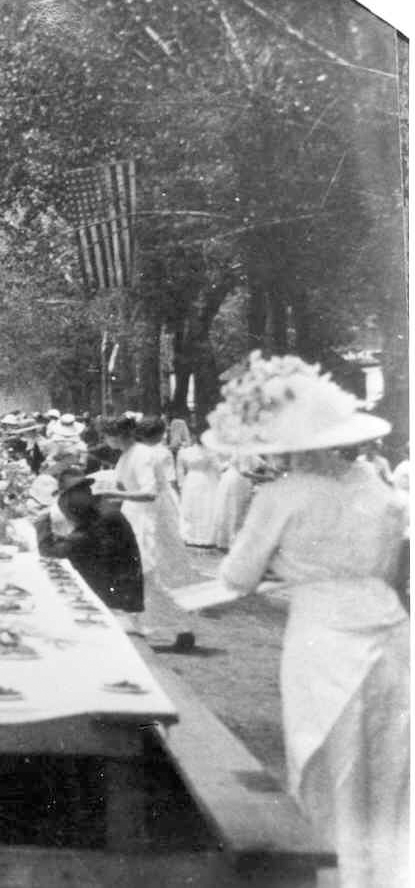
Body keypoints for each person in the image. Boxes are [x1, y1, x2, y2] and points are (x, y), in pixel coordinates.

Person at [201, 352, 408, 888]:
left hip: (324, 639)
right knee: (388, 759)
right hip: (388, 629)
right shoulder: (375, 485)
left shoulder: (281, 493)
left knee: (328, 756)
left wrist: (286, 580)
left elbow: (239, 575)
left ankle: (333, 873)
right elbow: (384, 567)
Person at [95, 414, 197, 638]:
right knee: (136, 573)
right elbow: (124, 481)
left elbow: (149, 492)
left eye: (107, 436)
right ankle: (143, 622)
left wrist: (113, 493)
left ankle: (181, 625)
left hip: (149, 518)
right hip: (133, 515)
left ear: (118, 435)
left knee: (149, 573)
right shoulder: (127, 455)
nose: (105, 440)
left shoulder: (143, 455)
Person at [34, 471, 145, 618]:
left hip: (113, 599)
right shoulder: (102, 512)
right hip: (120, 589)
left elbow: (49, 552)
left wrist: (42, 521)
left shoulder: (102, 521)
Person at [175, 436, 221, 547]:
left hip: (199, 480)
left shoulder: (209, 451)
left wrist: (181, 484)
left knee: (202, 506)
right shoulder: (185, 451)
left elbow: (180, 470)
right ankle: (191, 535)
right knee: (193, 506)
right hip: (197, 480)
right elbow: (180, 469)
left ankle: (200, 536)